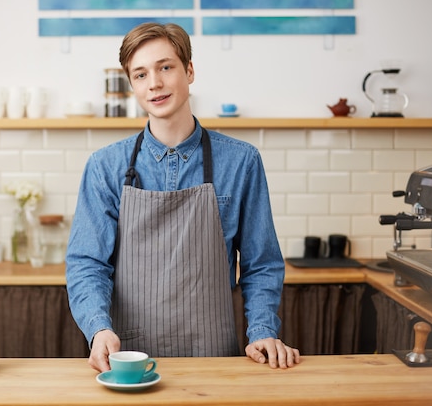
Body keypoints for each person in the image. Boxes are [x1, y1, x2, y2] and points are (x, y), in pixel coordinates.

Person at [65, 22, 300, 372]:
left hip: (215, 359)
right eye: (141, 75)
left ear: (189, 71)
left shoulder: (241, 161)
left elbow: (261, 263)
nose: (155, 83)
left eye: (165, 67)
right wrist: (98, 327)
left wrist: (262, 330)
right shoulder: (105, 167)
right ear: (132, 86)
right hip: (129, 362)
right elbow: (87, 263)